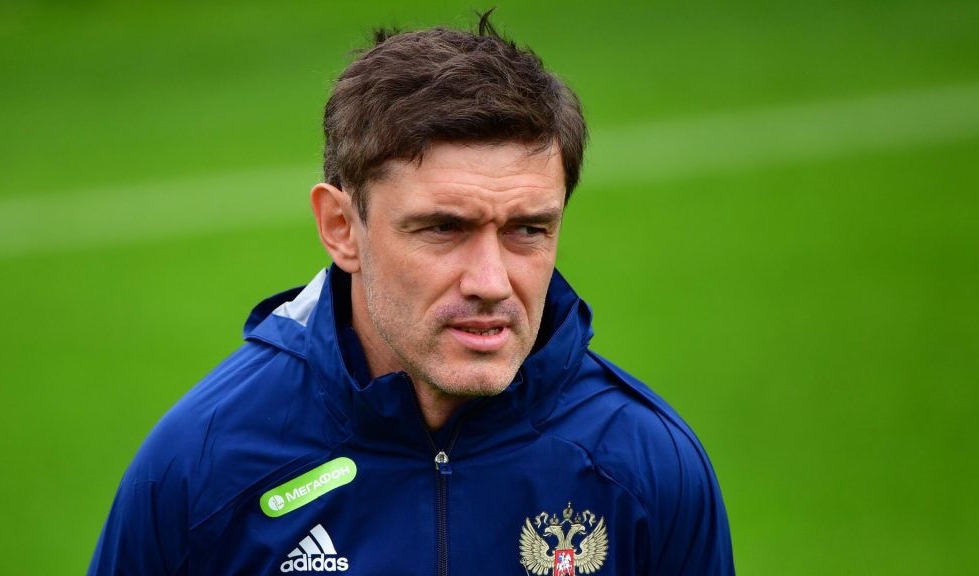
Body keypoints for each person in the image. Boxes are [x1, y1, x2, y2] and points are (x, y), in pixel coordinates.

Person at [89, 13, 734, 576]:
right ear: (342, 228)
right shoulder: (200, 467)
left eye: (527, 230)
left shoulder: (647, 467)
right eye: (443, 229)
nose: (491, 283)